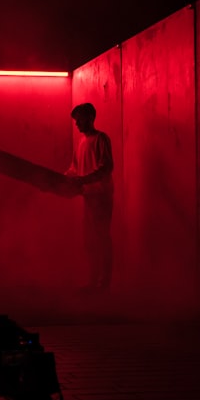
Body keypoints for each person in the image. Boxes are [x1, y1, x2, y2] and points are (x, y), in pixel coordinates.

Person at [65, 102, 114, 292]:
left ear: (90, 118)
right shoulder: (82, 142)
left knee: (101, 238)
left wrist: (83, 180)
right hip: (89, 196)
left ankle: (104, 283)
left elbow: (107, 167)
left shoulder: (101, 139)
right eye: (76, 120)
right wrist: (63, 178)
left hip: (101, 196)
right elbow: (74, 168)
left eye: (79, 119)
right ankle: (94, 281)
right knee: (89, 240)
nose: (77, 124)